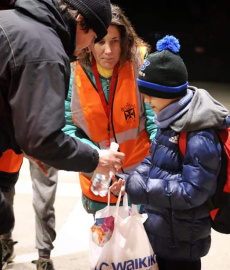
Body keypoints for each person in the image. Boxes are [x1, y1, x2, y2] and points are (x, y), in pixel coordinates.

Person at [0, 1, 125, 269]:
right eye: (93, 38)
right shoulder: (43, 49)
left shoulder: (11, 20)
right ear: (81, 21)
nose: (90, 48)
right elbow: (42, 139)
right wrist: (96, 158)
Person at [124, 35, 230, 270]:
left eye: (151, 93)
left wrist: (141, 188)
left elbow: (192, 192)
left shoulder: (198, 132)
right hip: (162, 233)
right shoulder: (169, 119)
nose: (146, 99)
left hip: (182, 245)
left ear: (170, 92)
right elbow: (153, 160)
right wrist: (127, 180)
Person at [63, 3, 157, 214]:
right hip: (98, 180)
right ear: (89, 43)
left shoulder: (139, 64)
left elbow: (156, 122)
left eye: (115, 41)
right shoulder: (73, 72)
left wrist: (144, 173)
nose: (108, 50)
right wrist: (97, 156)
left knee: (144, 244)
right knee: (104, 243)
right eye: (101, 42)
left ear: (124, 41)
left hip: (140, 179)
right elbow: (67, 128)